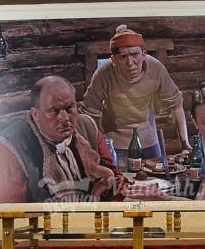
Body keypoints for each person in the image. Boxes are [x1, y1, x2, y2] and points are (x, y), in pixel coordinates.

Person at [0, 75, 128, 202]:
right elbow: (8, 214)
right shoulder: (10, 150)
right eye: (53, 111)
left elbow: (115, 177)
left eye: (70, 108)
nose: (65, 118)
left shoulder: (87, 127)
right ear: (35, 114)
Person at [80, 24, 190, 161]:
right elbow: (89, 113)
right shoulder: (104, 74)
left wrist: (185, 145)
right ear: (114, 60)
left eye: (134, 54)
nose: (130, 63)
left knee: (157, 173)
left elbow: (176, 105)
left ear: (144, 54)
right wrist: (97, 147)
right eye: (123, 57)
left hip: (148, 139)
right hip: (117, 142)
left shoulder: (156, 68)